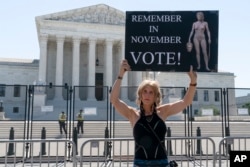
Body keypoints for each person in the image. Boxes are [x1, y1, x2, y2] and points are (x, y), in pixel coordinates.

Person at [110, 59, 197, 167]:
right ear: (140, 95)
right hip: (140, 163)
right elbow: (114, 100)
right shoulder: (133, 114)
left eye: (151, 92)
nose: (147, 95)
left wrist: (193, 82)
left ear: (156, 96)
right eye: (145, 92)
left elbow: (186, 102)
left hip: (161, 163)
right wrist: (120, 75)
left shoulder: (163, 111)